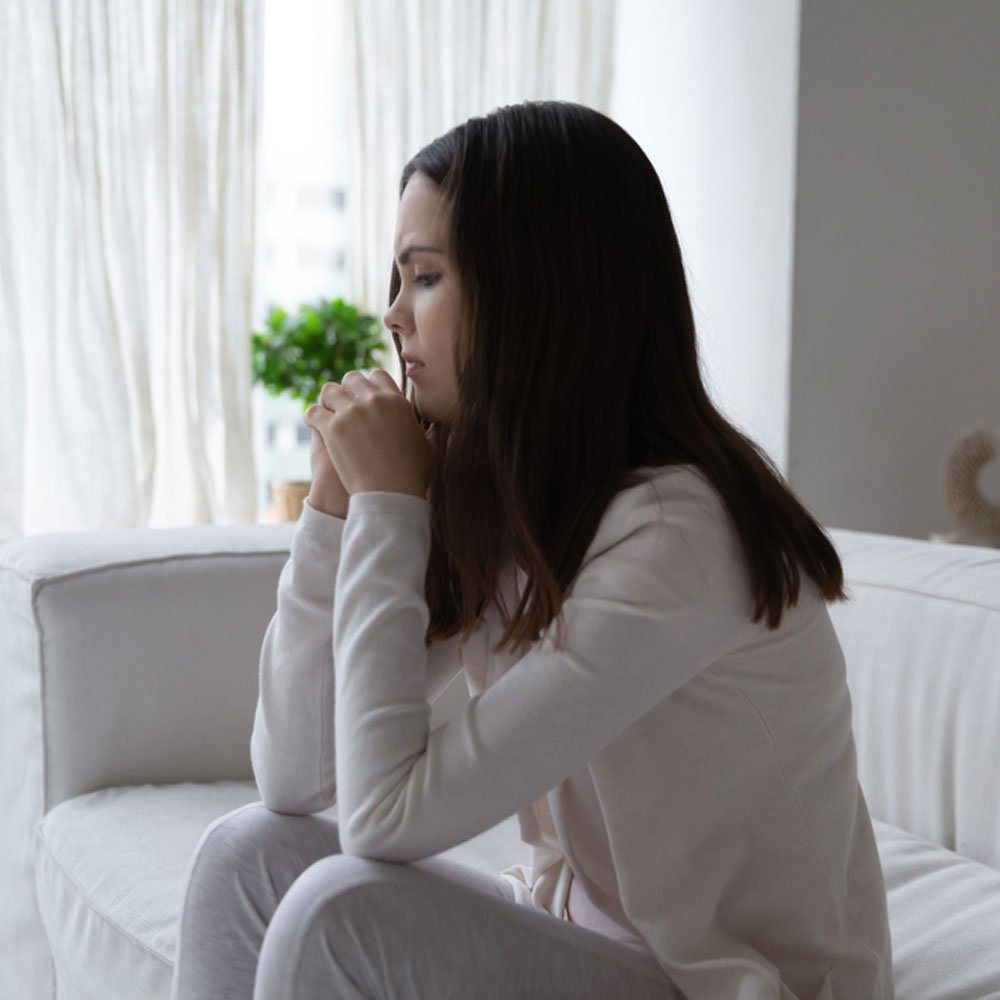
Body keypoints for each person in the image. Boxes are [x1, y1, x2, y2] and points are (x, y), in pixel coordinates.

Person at [170, 101, 893, 1000]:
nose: (392, 316)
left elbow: (382, 819)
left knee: (338, 912)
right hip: (587, 946)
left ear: (537, 293)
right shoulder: (516, 501)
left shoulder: (677, 529)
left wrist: (393, 506)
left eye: (424, 278)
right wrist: (332, 511)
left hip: (726, 986)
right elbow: (293, 773)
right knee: (248, 854)